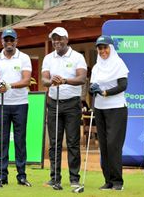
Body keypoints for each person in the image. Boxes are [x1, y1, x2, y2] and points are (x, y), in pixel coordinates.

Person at [41, 27, 87, 189]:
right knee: (54, 142)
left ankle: (74, 178)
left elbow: (82, 78)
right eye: (54, 39)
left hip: (72, 104)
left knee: (73, 142)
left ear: (67, 39)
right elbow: (44, 80)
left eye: (59, 38)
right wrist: (52, 81)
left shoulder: (77, 57)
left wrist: (65, 81)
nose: (56, 42)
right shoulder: (48, 58)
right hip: (54, 103)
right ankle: (55, 178)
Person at [0, 28, 32, 187]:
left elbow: (26, 80)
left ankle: (21, 176)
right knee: (3, 140)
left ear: (16, 41)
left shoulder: (24, 58)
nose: (9, 43)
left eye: (11, 40)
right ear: (2, 42)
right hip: (1, 104)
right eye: (6, 40)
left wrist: (8, 85)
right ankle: (2, 176)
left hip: (20, 104)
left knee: (20, 141)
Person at [90, 35, 129, 191]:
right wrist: (93, 89)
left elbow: (123, 85)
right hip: (100, 109)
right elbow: (93, 86)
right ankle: (108, 180)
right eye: (100, 48)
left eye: (105, 47)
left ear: (111, 48)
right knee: (104, 146)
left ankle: (118, 181)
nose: (103, 51)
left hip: (117, 108)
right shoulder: (96, 67)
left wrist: (105, 92)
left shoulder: (119, 63)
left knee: (113, 144)